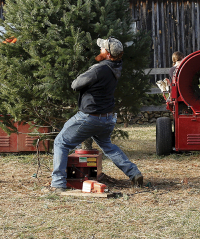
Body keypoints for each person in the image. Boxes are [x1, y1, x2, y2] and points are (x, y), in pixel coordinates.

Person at [51, 37, 144, 191]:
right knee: (108, 146)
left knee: (61, 142)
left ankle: (58, 184)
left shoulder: (99, 69)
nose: (99, 50)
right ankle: (134, 173)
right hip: (107, 118)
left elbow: (75, 85)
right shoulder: (117, 66)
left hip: (90, 117)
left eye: (102, 48)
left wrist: (90, 70)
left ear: (107, 53)